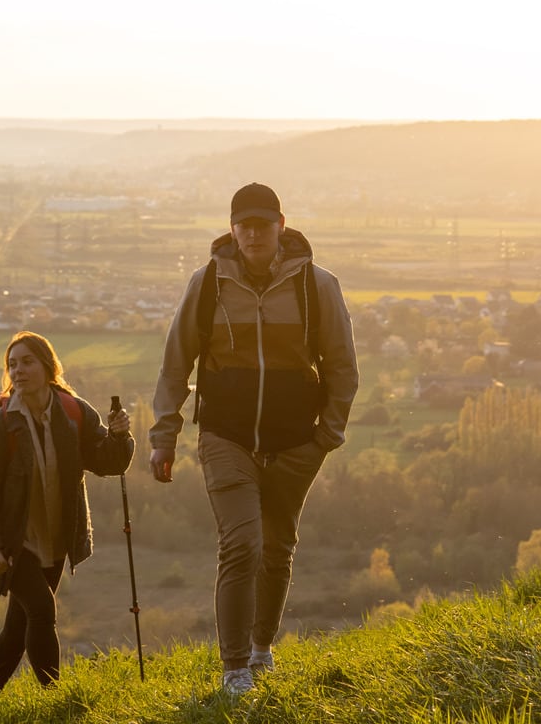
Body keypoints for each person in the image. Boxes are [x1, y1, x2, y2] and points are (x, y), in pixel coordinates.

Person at [149, 183, 358, 696]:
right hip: (226, 436)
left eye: (263, 224)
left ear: (281, 226)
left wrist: (325, 437)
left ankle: (263, 649)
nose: (253, 233)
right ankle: (235, 667)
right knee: (242, 544)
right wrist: (164, 435)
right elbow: (177, 364)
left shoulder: (317, 286)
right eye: (244, 224)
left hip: (295, 443)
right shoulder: (207, 284)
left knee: (278, 548)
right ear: (232, 228)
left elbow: (342, 366)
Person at [0, 331, 134, 692]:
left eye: (27, 362)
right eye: (12, 364)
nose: (18, 371)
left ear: (48, 366)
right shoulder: (1, 426)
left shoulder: (73, 412)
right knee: (42, 609)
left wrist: (120, 437)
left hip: (56, 537)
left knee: (18, 626)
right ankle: (54, 696)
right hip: (14, 542)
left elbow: (107, 462)